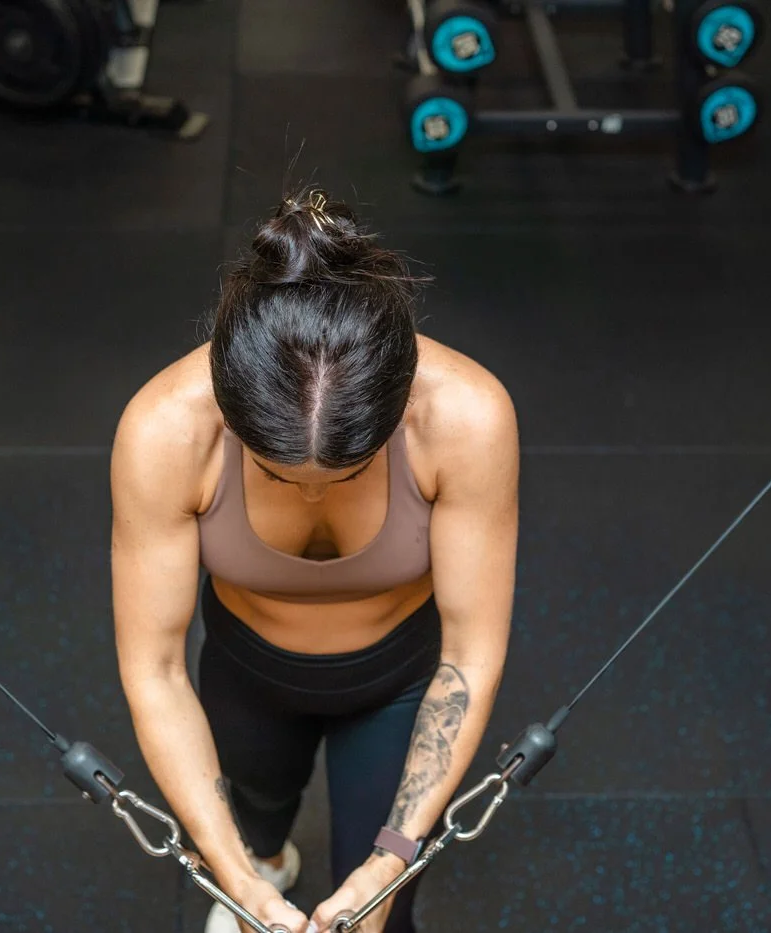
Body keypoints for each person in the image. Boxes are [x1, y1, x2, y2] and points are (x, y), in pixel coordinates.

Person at [110, 188, 519, 933]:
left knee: (382, 918)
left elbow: (470, 653)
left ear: (397, 406)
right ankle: (267, 861)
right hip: (247, 673)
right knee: (255, 829)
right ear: (230, 411)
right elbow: (155, 669)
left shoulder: (466, 416)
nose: (306, 494)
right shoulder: (166, 428)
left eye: (352, 471)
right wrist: (237, 881)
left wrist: (392, 858)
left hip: (398, 680)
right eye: (272, 474)